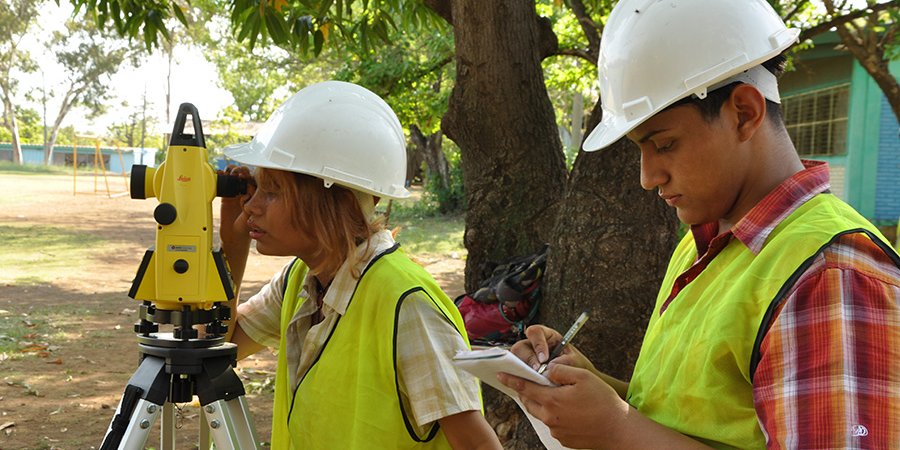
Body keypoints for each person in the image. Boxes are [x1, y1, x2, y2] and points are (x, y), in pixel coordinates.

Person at [498, 0, 900, 448]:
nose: (648, 178)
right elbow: (695, 421)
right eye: (640, 150)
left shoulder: (829, 274)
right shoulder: (705, 244)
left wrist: (617, 429)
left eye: (665, 144)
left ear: (744, 113)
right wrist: (599, 392)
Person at [219, 80, 502, 449]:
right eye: (254, 188)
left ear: (334, 201)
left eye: (272, 191)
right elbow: (220, 347)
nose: (251, 206)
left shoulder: (406, 303)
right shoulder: (301, 280)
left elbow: (477, 444)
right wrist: (234, 243)